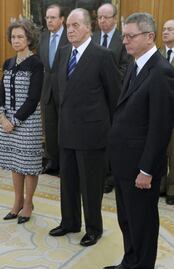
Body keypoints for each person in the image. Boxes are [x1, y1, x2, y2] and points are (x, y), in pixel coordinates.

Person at [103, 13, 174, 269]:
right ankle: (129, 260)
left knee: (143, 220)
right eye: (124, 36)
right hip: (124, 160)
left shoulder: (162, 72)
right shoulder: (134, 65)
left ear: (149, 37)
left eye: (130, 36)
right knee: (127, 218)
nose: (125, 41)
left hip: (141, 165)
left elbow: (160, 127)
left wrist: (147, 169)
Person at [48, 8, 121, 247]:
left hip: (92, 134)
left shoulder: (103, 55)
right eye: (68, 25)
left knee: (90, 186)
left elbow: (114, 97)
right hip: (66, 130)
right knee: (67, 181)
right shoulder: (63, 53)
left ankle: (93, 228)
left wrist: (109, 133)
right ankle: (69, 221)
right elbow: (60, 91)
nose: (70, 29)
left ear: (89, 27)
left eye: (75, 25)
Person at [0, 19, 44, 224]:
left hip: (27, 121)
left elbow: (33, 99)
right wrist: (1, 116)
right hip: (7, 121)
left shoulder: (36, 64)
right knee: (15, 164)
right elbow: (1, 93)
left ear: (29, 39)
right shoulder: (8, 63)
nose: (16, 40)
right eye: (13, 37)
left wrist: (13, 121)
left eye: (20, 37)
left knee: (29, 164)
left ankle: (28, 203)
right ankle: (17, 202)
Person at [92, 2, 132, 194]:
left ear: (115, 19)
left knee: (113, 137)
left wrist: (111, 83)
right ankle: (100, 173)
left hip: (117, 95)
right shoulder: (94, 37)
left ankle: (112, 176)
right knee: (100, 134)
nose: (102, 21)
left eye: (106, 17)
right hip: (96, 96)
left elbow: (126, 66)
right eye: (99, 17)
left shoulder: (122, 38)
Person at [38, 4, 69, 175]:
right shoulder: (42, 37)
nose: (49, 21)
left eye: (53, 18)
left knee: (64, 129)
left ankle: (65, 164)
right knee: (49, 130)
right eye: (47, 18)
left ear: (62, 19)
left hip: (65, 92)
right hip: (47, 91)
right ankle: (52, 161)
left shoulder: (69, 37)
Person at [159, 19, 174, 205]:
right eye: (163, 29)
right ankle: (161, 185)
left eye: (170, 29)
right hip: (159, 112)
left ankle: (172, 189)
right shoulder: (159, 54)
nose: (165, 32)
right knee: (160, 150)